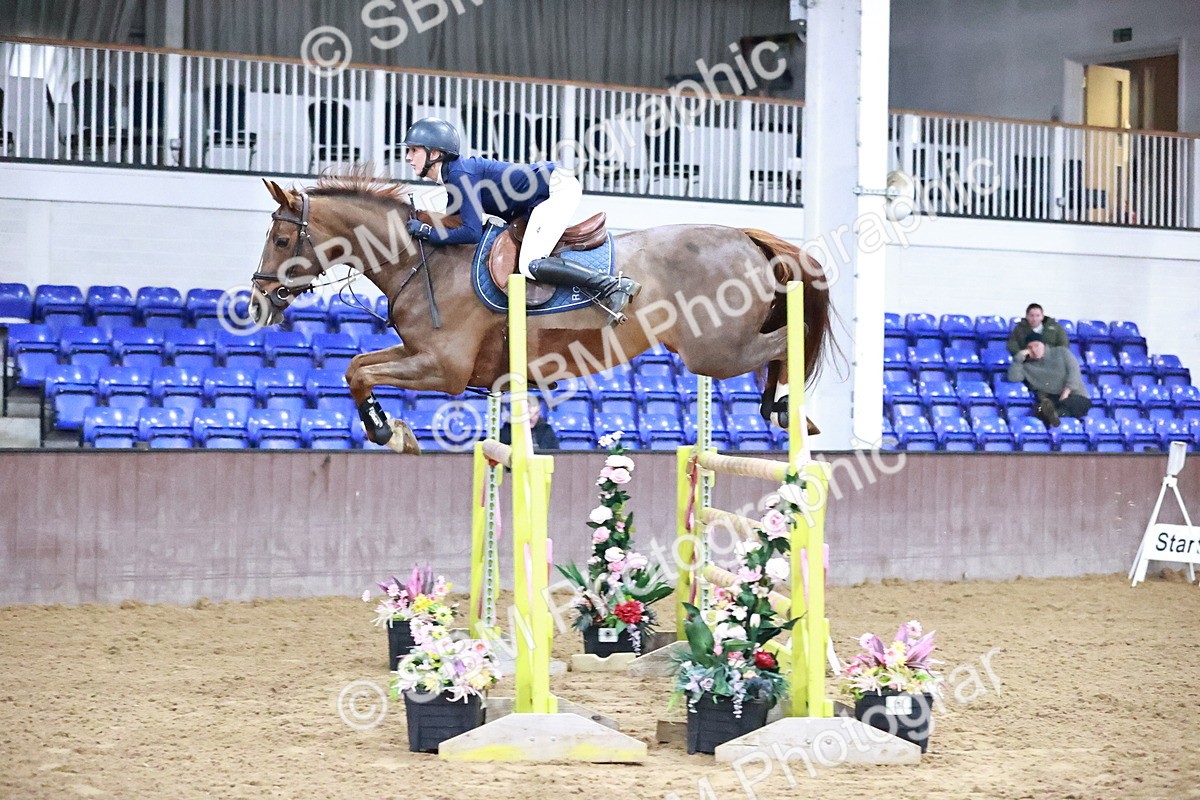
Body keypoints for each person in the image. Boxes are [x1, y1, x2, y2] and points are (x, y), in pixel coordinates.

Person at [400, 117, 639, 326]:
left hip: (555, 189)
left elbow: (470, 233)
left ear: (434, 154)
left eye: (414, 150)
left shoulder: (462, 176)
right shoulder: (454, 176)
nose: (408, 157)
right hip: (534, 201)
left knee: (530, 264)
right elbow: (454, 224)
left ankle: (612, 285)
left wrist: (427, 232)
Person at [1007, 340, 1091, 427]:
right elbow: (1014, 378)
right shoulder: (1027, 367)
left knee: (1072, 405)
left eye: (1036, 346)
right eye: (1029, 348)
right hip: (1051, 399)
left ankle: (1055, 417)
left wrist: (1066, 392)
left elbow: (1074, 372)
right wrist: (1018, 359)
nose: (1034, 350)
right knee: (1040, 410)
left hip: (1075, 396)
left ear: (1044, 345)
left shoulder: (1061, 352)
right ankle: (1053, 418)